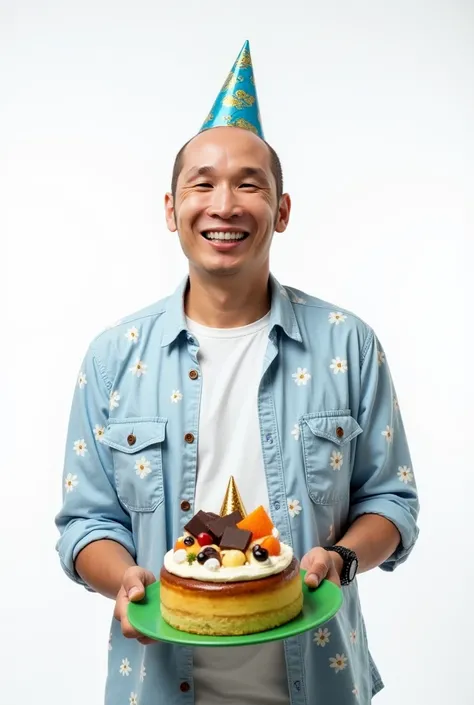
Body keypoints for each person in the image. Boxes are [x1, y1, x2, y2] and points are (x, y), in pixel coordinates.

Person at [55, 41, 420, 705]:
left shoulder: (349, 342)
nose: (224, 204)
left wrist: (339, 557)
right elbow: (86, 523)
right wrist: (126, 581)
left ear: (281, 211)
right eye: (202, 183)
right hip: (158, 687)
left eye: (249, 183)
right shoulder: (114, 356)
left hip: (321, 684)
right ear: (172, 210)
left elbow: (391, 501)